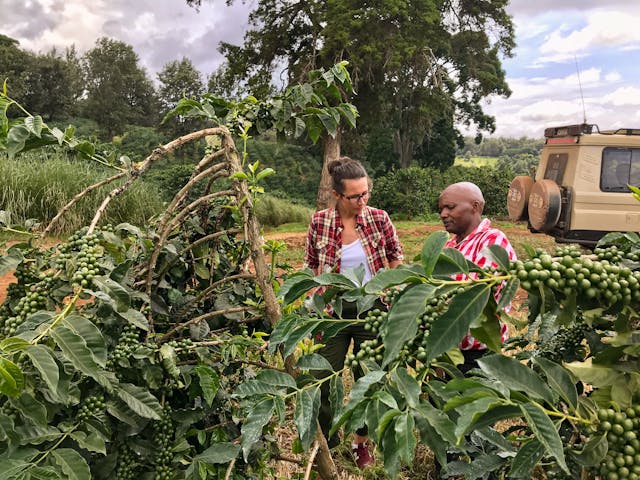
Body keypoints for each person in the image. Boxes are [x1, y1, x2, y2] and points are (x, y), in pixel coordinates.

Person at [304, 156, 403, 468]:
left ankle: (360, 441)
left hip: (371, 308)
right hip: (331, 309)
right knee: (321, 377)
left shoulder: (379, 219)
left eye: (366, 193)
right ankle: (328, 445)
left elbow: (394, 257)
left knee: (369, 379)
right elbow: (310, 265)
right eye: (355, 196)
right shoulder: (319, 221)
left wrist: (394, 293)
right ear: (337, 195)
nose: (363, 200)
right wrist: (311, 302)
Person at [438, 181, 517, 373]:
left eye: (450, 207)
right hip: (449, 350)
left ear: (475, 207)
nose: (443, 215)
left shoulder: (492, 240)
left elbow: (476, 292)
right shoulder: (450, 247)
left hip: (480, 355)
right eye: (441, 209)